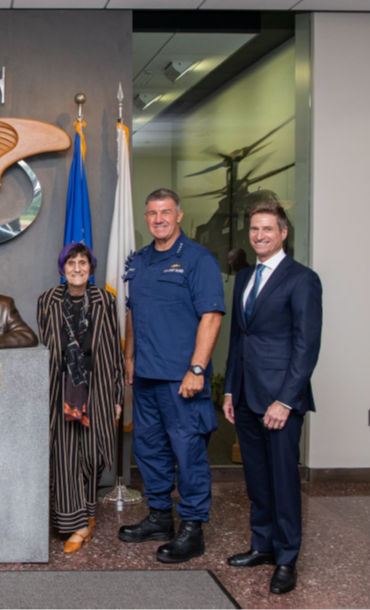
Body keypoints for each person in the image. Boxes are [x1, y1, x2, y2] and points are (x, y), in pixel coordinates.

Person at [118, 188, 226, 564]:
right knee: (150, 450)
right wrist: (129, 356)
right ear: (145, 217)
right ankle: (161, 516)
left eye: (165, 212)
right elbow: (133, 312)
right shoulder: (141, 260)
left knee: (188, 452)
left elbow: (211, 316)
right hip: (146, 376)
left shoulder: (198, 260)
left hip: (182, 379)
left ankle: (193, 529)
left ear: (179, 215)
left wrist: (197, 368)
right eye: (151, 213)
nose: (158, 218)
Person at [222, 198, 322, 595]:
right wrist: (230, 388)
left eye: (268, 228)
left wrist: (285, 400)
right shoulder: (245, 278)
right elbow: (237, 339)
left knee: (282, 481)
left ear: (283, 233)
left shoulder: (302, 279)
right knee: (257, 480)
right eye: (254, 229)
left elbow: (306, 347)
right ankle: (262, 545)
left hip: (280, 399)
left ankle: (286, 558)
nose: (259, 235)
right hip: (246, 395)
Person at [37, 243, 124, 554]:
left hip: (96, 388)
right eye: (71, 263)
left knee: (91, 456)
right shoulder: (47, 300)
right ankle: (76, 524)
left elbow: (114, 349)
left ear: (91, 267)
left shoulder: (105, 300)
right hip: (61, 389)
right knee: (65, 457)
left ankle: (88, 511)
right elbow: (44, 351)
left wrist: (116, 394)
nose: (77, 268)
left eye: (83, 263)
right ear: (63, 268)